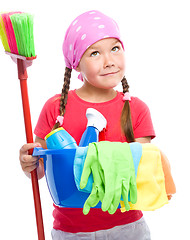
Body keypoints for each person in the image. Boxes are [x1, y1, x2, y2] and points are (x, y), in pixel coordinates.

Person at [19, 10, 156, 240]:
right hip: (71, 230)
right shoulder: (55, 108)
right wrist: (30, 163)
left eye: (115, 48)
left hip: (127, 227)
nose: (109, 61)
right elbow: (43, 169)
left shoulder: (136, 109)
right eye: (94, 53)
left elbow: (140, 169)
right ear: (76, 64)